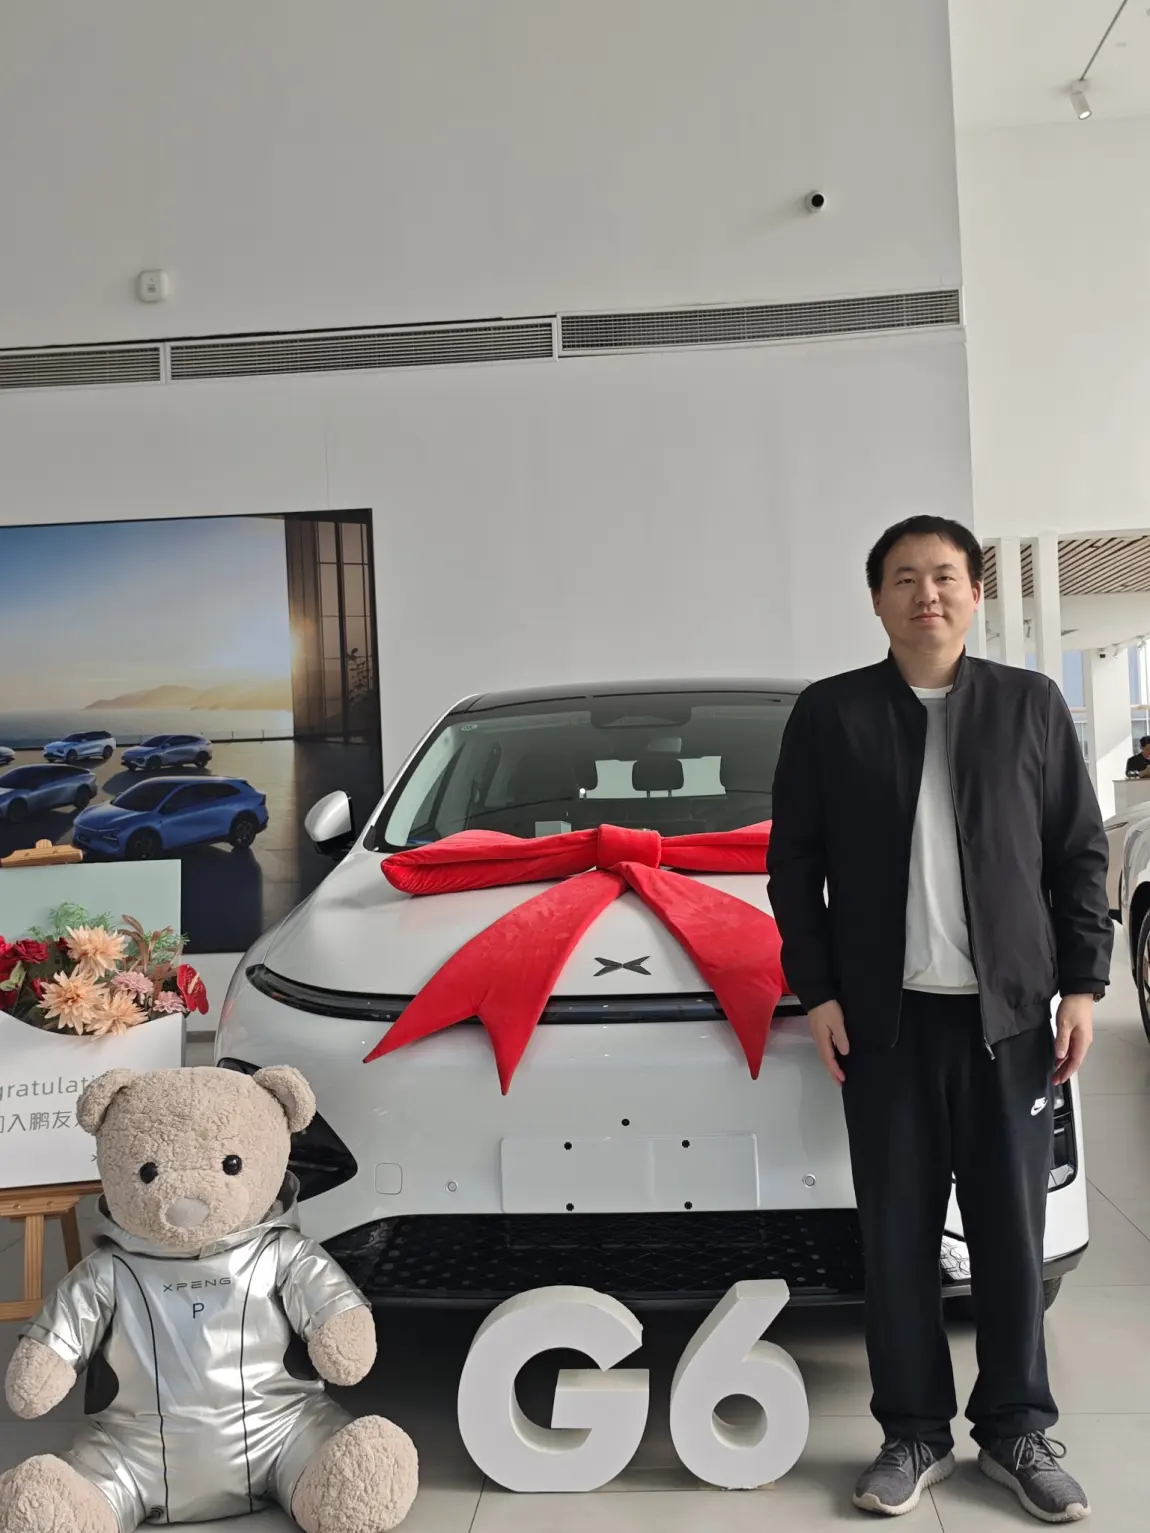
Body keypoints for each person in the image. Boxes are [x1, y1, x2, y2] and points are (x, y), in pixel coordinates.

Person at [767, 515, 1112, 1523]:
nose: (928, 593)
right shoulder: (832, 714)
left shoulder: (1029, 705)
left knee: (1011, 1238)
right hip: (885, 1026)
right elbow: (793, 865)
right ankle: (912, 1431)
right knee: (897, 1237)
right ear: (877, 598)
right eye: (906, 578)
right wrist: (819, 990)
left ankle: (1015, 1429)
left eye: (946, 576)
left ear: (974, 593)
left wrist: (1082, 985)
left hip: (1010, 1022)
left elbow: (1077, 854)